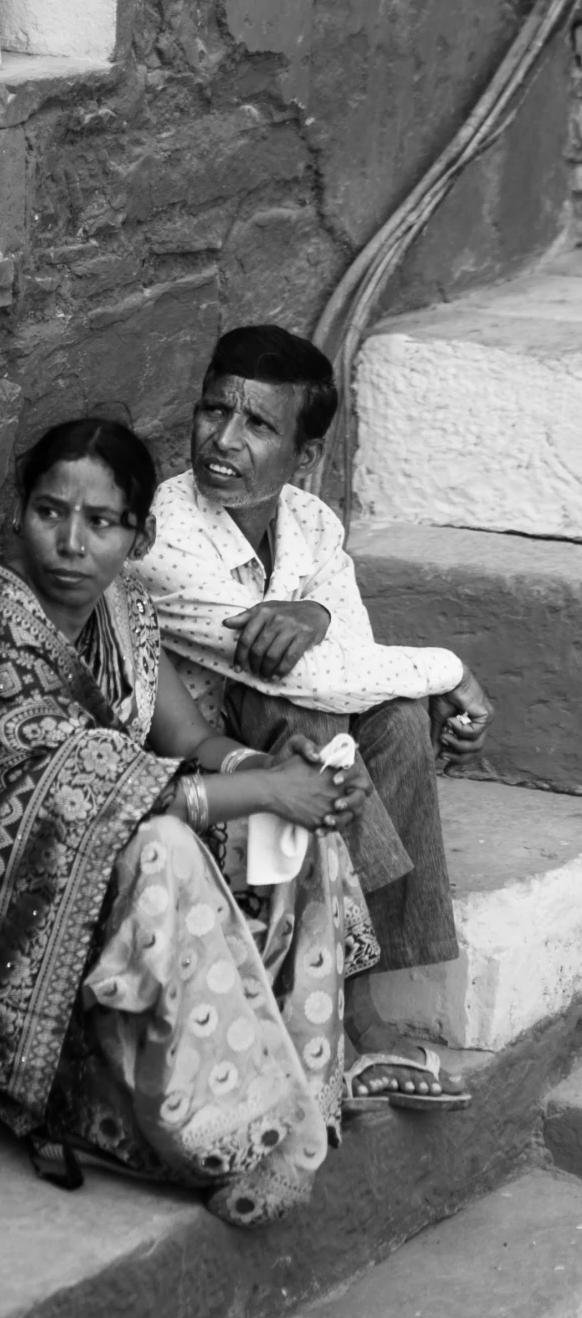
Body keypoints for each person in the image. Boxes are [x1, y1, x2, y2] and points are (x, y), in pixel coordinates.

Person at [0, 417, 379, 1227]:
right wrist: (265, 789)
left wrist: (264, 770)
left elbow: (186, 742)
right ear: (19, 514)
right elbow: (89, 789)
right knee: (163, 846)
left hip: (84, 853)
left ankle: (298, 1084)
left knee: (290, 835)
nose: (70, 541)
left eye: (101, 522)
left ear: (137, 533)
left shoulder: (121, 610)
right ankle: (217, 1132)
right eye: (50, 512)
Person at [138, 324, 494, 1111]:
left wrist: (312, 610)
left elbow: (354, 668)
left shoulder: (311, 524)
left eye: (258, 424)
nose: (222, 440)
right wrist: (452, 670)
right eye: (211, 411)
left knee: (397, 715)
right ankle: (354, 1016)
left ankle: (357, 984)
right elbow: (312, 677)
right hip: (207, 763)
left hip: (288, 747)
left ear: (304, 458)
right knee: (294, 708)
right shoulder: (164, 533)